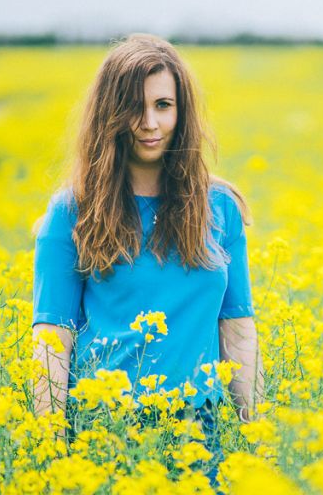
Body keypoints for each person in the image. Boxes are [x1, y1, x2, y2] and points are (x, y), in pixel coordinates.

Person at [30, 33, 264, 488]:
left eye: (163, 105)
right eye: (135, 107)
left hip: (199, 430)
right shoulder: (71, 211)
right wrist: (50, 445)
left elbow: (236, 326)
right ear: (110, 113)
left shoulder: (220, 208)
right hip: (106, 427)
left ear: (182, 112)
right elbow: (51, 337)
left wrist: (255, 434)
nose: (150, 122)